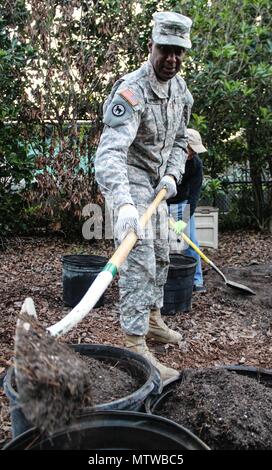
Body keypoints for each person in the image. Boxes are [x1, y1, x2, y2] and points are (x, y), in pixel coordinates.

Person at [94, 11, 192, 382]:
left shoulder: (182, 91)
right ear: (151, 46)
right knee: (140, 258)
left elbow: (181, 140)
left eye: (179, 52)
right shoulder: (131, 92)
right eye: (165, 49)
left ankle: (152, 321)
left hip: (156, 182)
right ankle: (135, 345)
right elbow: (109, 155)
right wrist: (122, 205)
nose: (172, 59)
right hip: (131, 179)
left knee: (165, 253)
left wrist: (172, 173)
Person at [168, 128, 208, 292]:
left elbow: (194, 194)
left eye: (194, 151)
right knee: (159, 242)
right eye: (190, 150)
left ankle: (197, 280)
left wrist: (183, 220)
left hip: (182, 205)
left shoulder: (195, 164)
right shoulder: (166, 158)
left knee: (191, 242)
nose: (192, 154)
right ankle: (161, 280)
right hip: (161, 204)